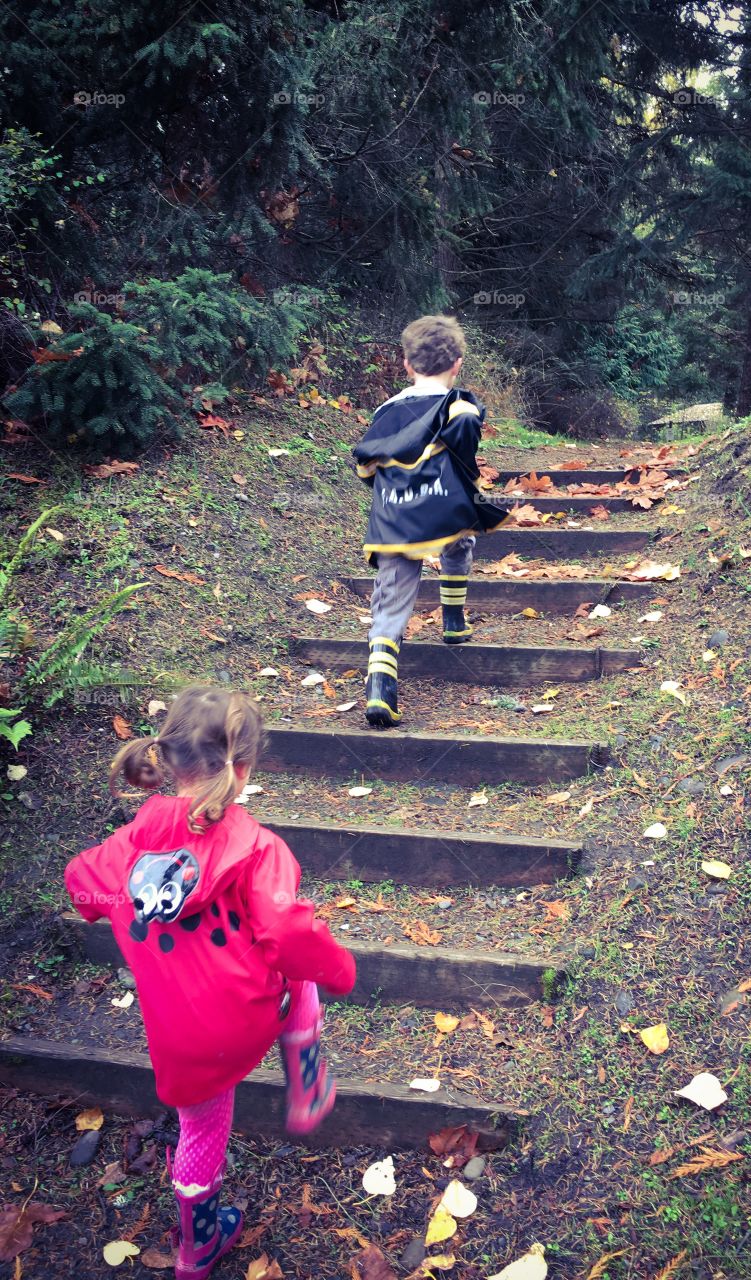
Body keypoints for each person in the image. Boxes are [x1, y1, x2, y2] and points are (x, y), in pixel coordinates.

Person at [64, 686, 356, 1280]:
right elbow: (285, 931)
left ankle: (197, 1249)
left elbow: (81, 885)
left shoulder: (126, 850)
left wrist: (117, 898)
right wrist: (341, 969)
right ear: (243, 769)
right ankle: (305, 1079)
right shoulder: (259, 849)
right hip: (252, 1013)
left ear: (167, 761)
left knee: (201, 1133)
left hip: (181, 1038)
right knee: (297, 978)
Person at [353, 314, 509, 728]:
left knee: (392, 595)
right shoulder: (459, 404)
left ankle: (381, 687)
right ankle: (454, 620)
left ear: (406, 364)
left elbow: (367, 469)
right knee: (461, 541)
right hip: (444, 508)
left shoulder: (386, 411)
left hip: (395, 518)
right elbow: (465, 445)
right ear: (457, 363)